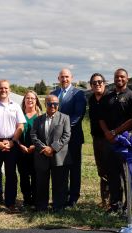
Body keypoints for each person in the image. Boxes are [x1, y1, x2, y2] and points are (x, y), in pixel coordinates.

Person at [98, 69, 132, 213]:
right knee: (112, 174)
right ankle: (115, 205)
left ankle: (130, 206)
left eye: (122, 76)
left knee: (128, 173)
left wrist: (115, 132)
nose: (119, 79)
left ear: (127, 79)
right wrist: (107, 133)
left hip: (126, 140)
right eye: (117, 77)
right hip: (109, 141)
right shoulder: (107, 97)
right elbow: (101, 118)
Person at [0, 79, 26, 212]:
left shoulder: (16, 106)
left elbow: (20, 126)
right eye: (1, 88)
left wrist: (12, 142)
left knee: (11, 174)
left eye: (6, 88)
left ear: (10, 90)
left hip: (11, 144)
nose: (3, 90)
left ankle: (10, 203)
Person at [50, 68, 86, 207]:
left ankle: (73, 198)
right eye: (62, 77)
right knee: (60, 167)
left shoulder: (78, 94)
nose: (64, 79)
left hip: (73, 137)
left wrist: (63, 130)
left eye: (67, 77)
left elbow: (78, 115)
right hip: (57, 139)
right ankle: (61, 196)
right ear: (58, 78)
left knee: (74, 168)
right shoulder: (53, 94)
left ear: (71, 78)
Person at [31, 95, 71, 211]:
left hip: (59, 156)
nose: (53, 106)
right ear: (45, 104)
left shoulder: (65, 118)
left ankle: (58, 206)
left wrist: (52, 148)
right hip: (42, 155)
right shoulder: (38, 119)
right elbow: (33, 135)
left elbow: (66, 135)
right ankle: (42, 206)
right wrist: (44, 148)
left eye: (55, 104)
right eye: (50, 104)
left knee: (59, 183)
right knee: (41, 182)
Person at [87, 73, 110, 210]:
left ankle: (115, 200)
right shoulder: (91, 99)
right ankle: (105, 200)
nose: (97, 84)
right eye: (94, 83)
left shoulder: (110, 97)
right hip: (97, 138)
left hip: (110, 138)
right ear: (91, 86)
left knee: (112, 170)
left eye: (100, 82)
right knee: (101, 170)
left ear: (104, 83)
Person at [16, 90, 42, 207]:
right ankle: (27, 199)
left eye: (32, 98)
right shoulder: (19, 115)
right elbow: (14, 133)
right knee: (24, 176)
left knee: (36, 176)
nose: (30, 100)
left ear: (36, 101)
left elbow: (45, 135)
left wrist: (34, 146)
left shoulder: (41, 117)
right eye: (27, 98)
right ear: (24, 101)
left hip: (36, 152)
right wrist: (19, 145)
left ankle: (36, 200)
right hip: (21, 151)